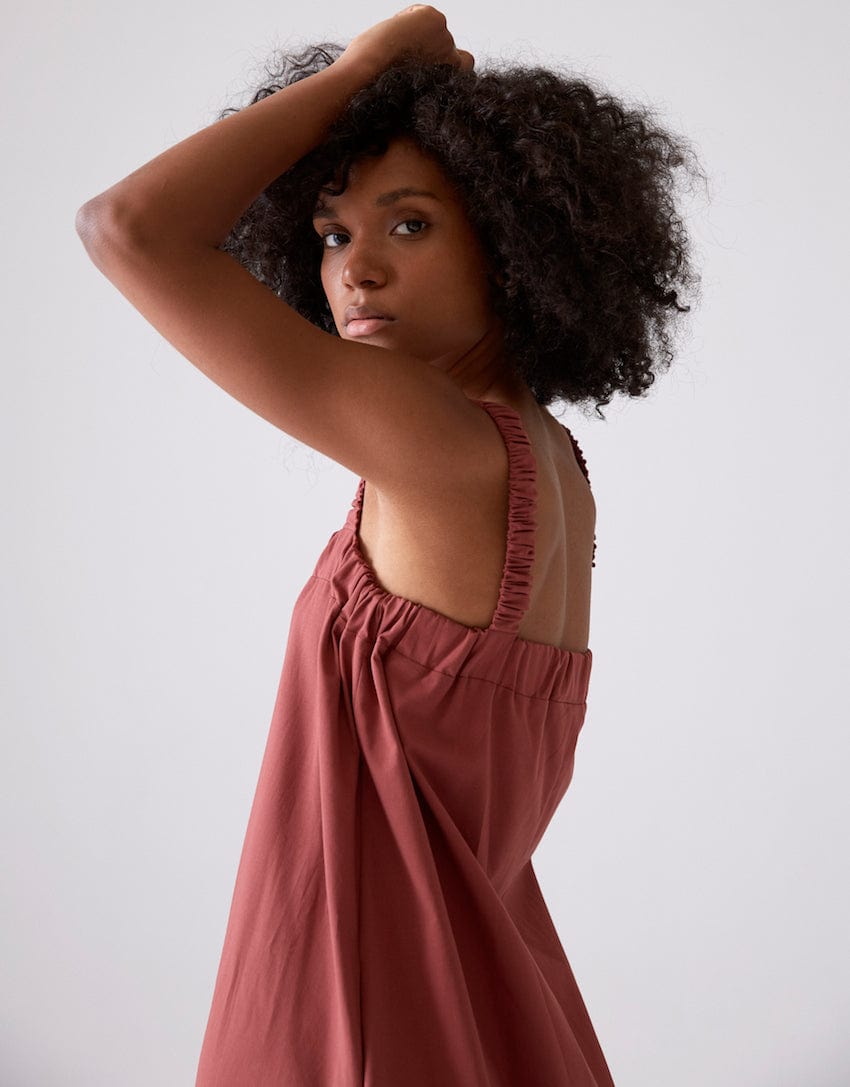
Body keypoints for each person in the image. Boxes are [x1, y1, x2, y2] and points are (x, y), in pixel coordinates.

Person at [76, 6, 702, 1084]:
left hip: (354, 1004)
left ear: (510, 244)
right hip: (479, 998)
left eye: (408, 225)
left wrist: (359, 71)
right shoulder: (545, 460)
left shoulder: (438, 446)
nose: (356, 270)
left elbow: (126, 229)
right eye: (331, 235)